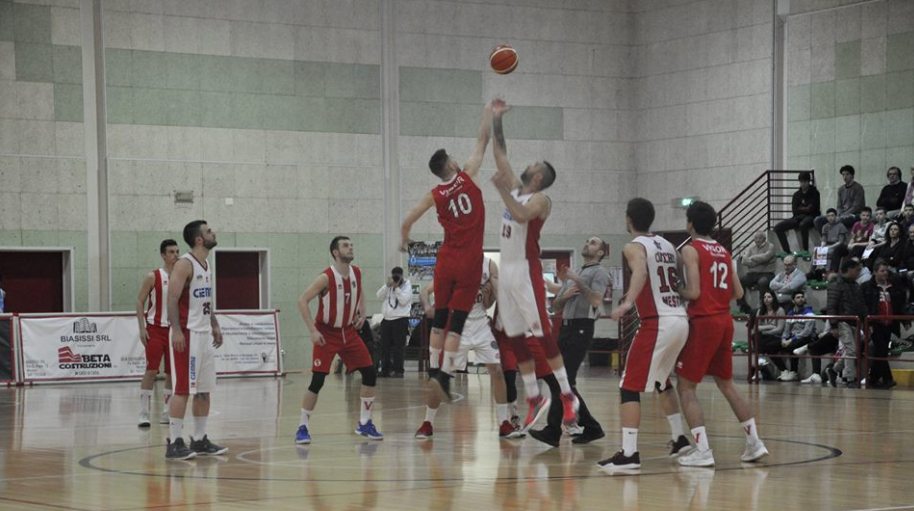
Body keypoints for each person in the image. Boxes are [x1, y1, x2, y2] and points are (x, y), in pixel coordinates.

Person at [489, 98, 579, 431]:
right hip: (508, 270)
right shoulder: (517, 188)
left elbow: (522, 214)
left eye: (534, 163)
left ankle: (567, 396)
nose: (527, 164)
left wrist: (501, 192)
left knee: (540, 334)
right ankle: (533, 396)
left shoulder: (541, 199)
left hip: (526, 270)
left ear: (538, 176)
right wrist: (496, 119)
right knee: (513, 336)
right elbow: (500, 153)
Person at [400, 104, 492, 402]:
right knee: (457, 323)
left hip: (446, 259)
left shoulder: (435, 194)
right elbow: (482, 142)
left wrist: (405, 240)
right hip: (469, 261)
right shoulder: (467, 176)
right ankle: (444, 377)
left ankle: (433, 372)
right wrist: (488, 114)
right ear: (452, 166)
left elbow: (407, 220)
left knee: (439, 320)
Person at [597, 198, 690, 472]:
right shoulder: (668, 245)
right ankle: (679, 438)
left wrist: (627, 302)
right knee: (662, 381)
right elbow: (679, 280)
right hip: (679, 318)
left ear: (628, 219)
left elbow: (639, 272)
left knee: (628, 385)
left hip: (657, 321)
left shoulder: (634, 246)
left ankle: (628, 455)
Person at [674, 201, 768, 467]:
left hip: (703, 322)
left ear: (690, 223)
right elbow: (738, 293)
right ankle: (754, 443)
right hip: (724, 320)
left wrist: (675, 288)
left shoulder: (691, 250)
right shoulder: (724, 252)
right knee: (727, 384)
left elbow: (693, 293)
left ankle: (702, 451)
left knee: (686, 387)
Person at [295, 236, 382, 444]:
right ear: (335, 252)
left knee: (370, 373)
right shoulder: (326, 277)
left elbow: (359, 292)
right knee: (317, 381)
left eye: (351, 245)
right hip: (326, 333)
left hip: (349, 332)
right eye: (345, 245)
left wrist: (362, 313)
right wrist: (312, 331)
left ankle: (364, 423)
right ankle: (302, 427)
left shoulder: (356, 273)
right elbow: (302, 301)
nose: (350, 248)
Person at [414, 257, 511, 438]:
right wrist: (428, 307)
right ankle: (427, 423)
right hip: (457, 326)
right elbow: (424, 293)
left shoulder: (489, 265)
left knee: (497, 371)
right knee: (440, 378)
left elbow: (489, 303)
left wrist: (489, 293)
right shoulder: (451, 264)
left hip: (481, 324)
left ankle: (504, 423)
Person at [537, 236, 610, 446]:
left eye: (594, 242)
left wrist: (576, 281)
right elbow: (557, 305)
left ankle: (559, 430)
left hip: (582, 327)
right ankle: (585, 427)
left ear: (601, 252)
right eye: (586, 240)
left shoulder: (599, 272)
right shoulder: (575, 272)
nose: (587, 243)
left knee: (564, 380)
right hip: (566, 328)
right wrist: (565, 293)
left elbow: (596, 299)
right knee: (559, 379)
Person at [164, 220, 227, 460]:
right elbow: (172, 299)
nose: (214, 232)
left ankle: (200, 439)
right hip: (187, 334)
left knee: (204, 390)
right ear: (199, 239)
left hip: (203, 334)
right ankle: (174, 442)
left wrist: (215, 324)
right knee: (182, 390)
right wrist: (177, 331)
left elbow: (206, 301)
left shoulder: (206, 264)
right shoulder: (184, 264)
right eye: (209, 231)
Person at [136, 239, 179, 428]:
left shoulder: (182, 277)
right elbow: (140, 301)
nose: (175, 255)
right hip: (155, 328)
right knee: (151, 370)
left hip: (173, 330)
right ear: (163, 255)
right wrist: (141, 328)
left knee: (172, 372)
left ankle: (167, 413)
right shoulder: (153, 277)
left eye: (177, 251)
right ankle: (144, 414)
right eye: (171, 252)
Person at [862, 259, 906, 389]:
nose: (885, 273)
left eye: (886, 270)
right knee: (881, 350)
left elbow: (899, 305)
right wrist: (867, 323)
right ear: (874, 272)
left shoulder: (894, 286)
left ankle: (873, 380)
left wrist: (904, 320)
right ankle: (888, 379)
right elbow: (864, 306)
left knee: (881, 352)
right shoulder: (866, 287)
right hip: (875, 323)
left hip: (889, 323)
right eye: (882, 271)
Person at [826, 258, 867, 388]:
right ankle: (850, 379)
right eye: (857, 270)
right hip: (842, 321)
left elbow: (862, 306)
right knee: (851, 351)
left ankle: (833, 370)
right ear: (849, 269)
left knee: (852, 351)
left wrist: (866, 323)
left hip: (855, 322)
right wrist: (833, 325)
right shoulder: (836, 285)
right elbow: (831, 306)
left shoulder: (856, 285)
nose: (858, 273)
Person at [376, 266, 411, 378]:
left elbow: (403, 301)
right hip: (387, 320)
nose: (396, 278)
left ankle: (398, 371)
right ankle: (385, 370)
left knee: (398, 347)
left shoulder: (407, 284)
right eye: (394, 275)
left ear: (402, 276)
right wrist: (387, 285)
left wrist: (397, 288)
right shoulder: (389, 285)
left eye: (398, 276)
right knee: (384, 347)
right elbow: (378, 295)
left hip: (400, 320)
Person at [773, 171, 820, 253]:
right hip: (798, 217)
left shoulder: (815, 193)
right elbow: (795, 210)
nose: (803, 184)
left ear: (808, 182)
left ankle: (805, 250)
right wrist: (805, 209)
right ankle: (787, 251)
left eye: (805, 182)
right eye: (801, 182)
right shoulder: (796, 195)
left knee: (803, 224)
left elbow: (813, 209)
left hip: (811, 216)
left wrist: (802, 208)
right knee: (778, 227)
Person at [814, 165, 866, 231]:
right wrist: (838, 214)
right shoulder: (841, 189)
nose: (845, 177)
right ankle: (825, 238)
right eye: (843, 175)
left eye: (847, 174)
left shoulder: (858, 188)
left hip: (855, 214)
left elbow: (856, 207)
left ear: (852, 176)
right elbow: (839, 206)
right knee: (818, 220)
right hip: (841, 214)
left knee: (839, 220)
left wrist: (843, 215)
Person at [779, 291, 817, 381]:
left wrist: (791, 340)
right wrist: (783, 339)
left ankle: (793, 372)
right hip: (794, 337)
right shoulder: (790, 313)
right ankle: (784, 370)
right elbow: (786, 330)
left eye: (802, 297)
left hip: (807, 338)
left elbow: (807, 332)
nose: (800, 299)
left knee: (792, 346)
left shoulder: (809, 312)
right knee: (773, 345)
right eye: (798, 297)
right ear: (793, 301)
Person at [736, 232, 776, 313]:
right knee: (739, 281)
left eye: (759, 238)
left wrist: (752, 258)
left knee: (763, 282)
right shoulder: (751, 248)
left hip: (767, 273)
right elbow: (744, 261)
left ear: (764, 239)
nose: (757, 240)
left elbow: (766, 257)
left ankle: (762, 306)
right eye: (755, 238)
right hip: (752, 273)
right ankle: (743, 306)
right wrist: (758, 261)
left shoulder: (770, 246)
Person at [754, 291, 787, 380]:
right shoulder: (760, 310)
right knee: (755, 337)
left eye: (769, 297)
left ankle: (760, 367)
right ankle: (782, 370)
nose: (766, 299)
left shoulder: (780, 310)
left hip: (777, 337)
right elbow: (756, 327)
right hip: (766, 337)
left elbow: (779, 329)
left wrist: (765, 330)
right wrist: (769, 326)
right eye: (765, 297)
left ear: (773, 298)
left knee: (765, 345)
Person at [819, 208, 849, 274]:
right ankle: (813, 271)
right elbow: (824, 239)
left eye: (832, 215)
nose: (830, 217)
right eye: (828, 216)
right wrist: (822, 245)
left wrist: (829, 247)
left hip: (838, 245)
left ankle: (829, 271)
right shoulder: (825, 227)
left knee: (829, 252)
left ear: (835, 216)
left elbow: (841, 241)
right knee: (817, 252)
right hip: (828, 244)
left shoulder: (841, 226)